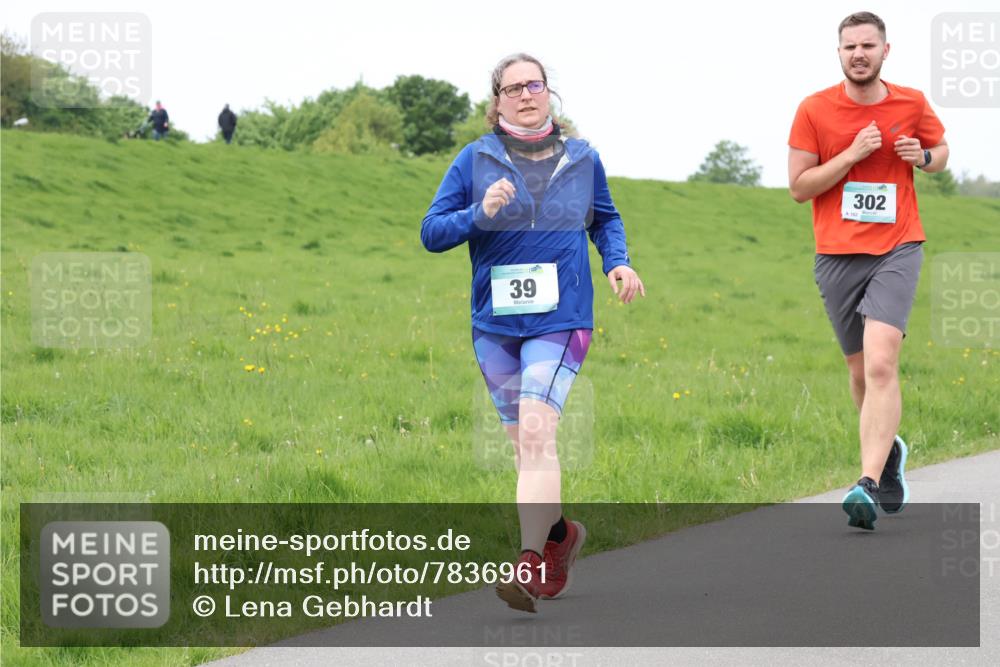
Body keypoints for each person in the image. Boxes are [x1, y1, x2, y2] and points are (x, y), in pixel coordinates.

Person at [421, 53, 644, 613]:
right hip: (494, 325)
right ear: (496, 101)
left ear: (549, 93)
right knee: (526, 448)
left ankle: (524, 563)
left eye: (535, 84)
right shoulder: (475, 160)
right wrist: (479, 212)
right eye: (512, 87)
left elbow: (606, 218)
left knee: (539, 431)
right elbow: (431, 232)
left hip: (563, 317)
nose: (525, 94)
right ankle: (560, 538)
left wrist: (616, 262)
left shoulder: (582, 156)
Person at [787, 12, 949, 530]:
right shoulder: (814, 110)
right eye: (849, 46)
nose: (859, 53)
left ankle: (867, 481)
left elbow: (942, 153)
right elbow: (799, 186)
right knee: (859, 373)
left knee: (881, 364)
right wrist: (853, 154)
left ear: (885, 51)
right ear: (839, 53)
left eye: (868, 45)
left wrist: (921, 155)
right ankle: (890, 452)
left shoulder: (911, 103)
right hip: (836, 254)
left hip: (897, 246)